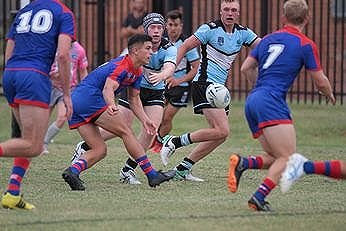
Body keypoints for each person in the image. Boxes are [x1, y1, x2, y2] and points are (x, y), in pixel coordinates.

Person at [229, 0, 345, 212]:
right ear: (307, 19)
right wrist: (329, 94)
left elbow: (246, 68)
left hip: (253, 100)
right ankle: (258, 197)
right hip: (270, 101)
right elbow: (320, 81)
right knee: (288, 158)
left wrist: (259, 89)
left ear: (284, 18)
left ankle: (244, 163)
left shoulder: (267, 40)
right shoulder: (305, 44)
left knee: (276, 157)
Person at [70, 13, 177, 185]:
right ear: (136, 50)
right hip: (90, 99)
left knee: (100, 150)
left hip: (79, 101)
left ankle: (72, 171)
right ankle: (151, 175)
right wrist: (111, 105)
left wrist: (144, 120)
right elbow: (108, 88)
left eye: (160, 28)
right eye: (147, 49)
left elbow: (134, 99)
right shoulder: (124, 65)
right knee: (126, 131)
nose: (151, 53)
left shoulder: (138, 69)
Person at [160, 0, 260, 181]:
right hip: (204, 84)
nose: (230, 13)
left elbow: (263, 47)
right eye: (226, 9)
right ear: (220, 11)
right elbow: (184, 46)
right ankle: (174, 141)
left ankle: (183, 168)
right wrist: (171, 68)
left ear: (238, 13)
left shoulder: (243, 33)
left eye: (234, 10)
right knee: (222, 130)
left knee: (219, 135)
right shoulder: (209, 29)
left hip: (219, 89)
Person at [0, 0, 75, 210]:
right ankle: (12, 193)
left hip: (11, 74)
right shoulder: (64, 12)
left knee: (26, 141)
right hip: (34, 76)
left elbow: (9, 51)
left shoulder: (24, 11)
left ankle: (12, 193)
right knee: (34, 145)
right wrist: (67, 94)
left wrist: (13, 76)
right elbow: (63, 55)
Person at [149, 10, 200, 156]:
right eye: (170, 25)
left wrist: (178, 80)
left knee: (166, 117)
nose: (173, 28)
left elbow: (196, 68)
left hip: (181, 87)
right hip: (164, 85)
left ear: (181, 26)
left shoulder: (186, 44)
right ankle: (155, 139)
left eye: (176, 25)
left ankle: (159, 143)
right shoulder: (162, 43)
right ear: (166, 26)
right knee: (156, 116)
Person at [42, 41, 89, 154]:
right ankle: (33, 142)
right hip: (49, 85)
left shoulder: (79, 50)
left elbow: (83, 71)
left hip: (67, 89)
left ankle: (44, 144)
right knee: (42, 118)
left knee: (62, 117)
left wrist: (86, 88)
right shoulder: (52, 45)